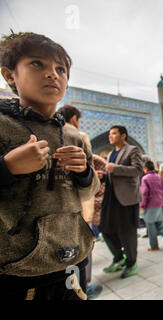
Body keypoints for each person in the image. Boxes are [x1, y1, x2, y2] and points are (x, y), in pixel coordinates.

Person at [0, 32, 100, 300]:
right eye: (37, 64)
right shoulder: (3, 127)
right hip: (18, 271)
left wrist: (84, 173)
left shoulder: (73, 136)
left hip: (71, 262)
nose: (51, 74)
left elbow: (90, 191)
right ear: (10, 75)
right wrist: (6, 167)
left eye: (60, 69)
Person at [58, 104, 103, 300]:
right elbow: (89, 175)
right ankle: (83, 287)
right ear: (75, 118)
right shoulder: (77, 135)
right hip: (79, 203)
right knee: (81, 247)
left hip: (56, 207)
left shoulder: (45, 131)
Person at [98, 125, 143, 279]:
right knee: (105, 228)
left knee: (127, 232)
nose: (110, 136)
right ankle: (119, 257)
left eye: (114, 133)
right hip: (111, 196)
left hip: (126, 198)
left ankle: (132, 263)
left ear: (123, 135)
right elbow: (111, 173)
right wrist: (103, 176)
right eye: (109, 133)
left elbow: (137, 170)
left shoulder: (132, 150)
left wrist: (115, 168)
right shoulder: (111, 153)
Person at [140, 159, 163, 251]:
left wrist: (142, 205)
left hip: (150, 205)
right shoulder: (158, 177)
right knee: (158, 223)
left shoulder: (145, 179)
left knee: (150, 225)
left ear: (145, 169)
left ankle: (154, 246)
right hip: (159, 203)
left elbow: (144, 193)